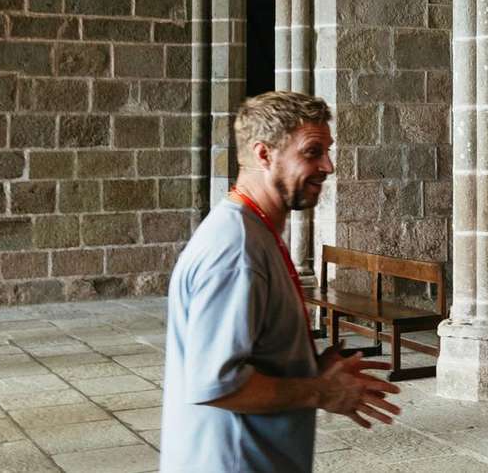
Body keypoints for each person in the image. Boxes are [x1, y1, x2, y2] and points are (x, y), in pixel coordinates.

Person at [159, 92, 400, 473]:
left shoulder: (253, 232)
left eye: (327, 150)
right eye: (312, 151)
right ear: (263, 154)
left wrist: (310, 367)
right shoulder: (236, 250)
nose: (328, 165)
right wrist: (322, 391)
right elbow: (217, 384)